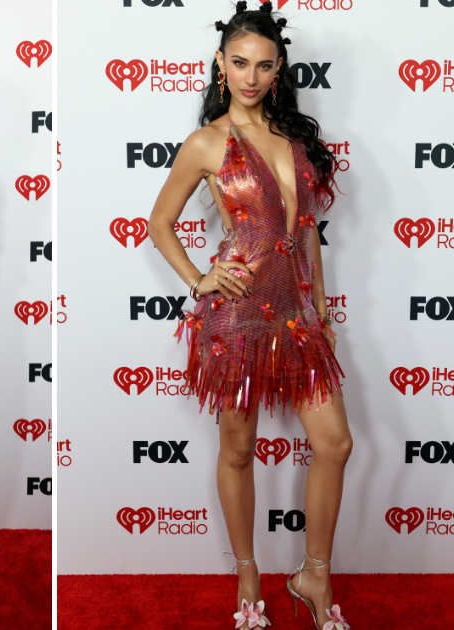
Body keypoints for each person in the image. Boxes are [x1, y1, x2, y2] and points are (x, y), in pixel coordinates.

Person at [148, 4, 351, 629]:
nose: (251, 76)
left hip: (295, 317)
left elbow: (309, 231)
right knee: (238, 450)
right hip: (235, 319)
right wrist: (199, 278)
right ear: (220, 65)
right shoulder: (207, 143)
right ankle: (248, 576)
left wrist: (318, 309)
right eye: (240, 63)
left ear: (279, 67)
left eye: (264, 65)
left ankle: (313, 574)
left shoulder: (295, 142)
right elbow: (159, 224)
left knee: (335, 444)